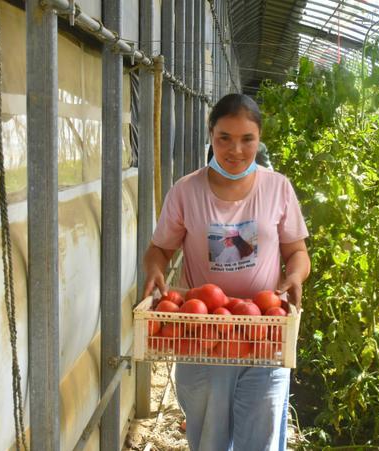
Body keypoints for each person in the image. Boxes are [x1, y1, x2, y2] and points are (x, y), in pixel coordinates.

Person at [142, 93, 310, 451]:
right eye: (224, 138)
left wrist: (294, 276)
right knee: (208, 436)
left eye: (247, 139)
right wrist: (155, 270)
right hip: (204, 335)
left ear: (259, 138)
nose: (236, 150)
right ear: (211, 135)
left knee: (260, 434)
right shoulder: (186, 191)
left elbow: (297, 252)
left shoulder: (277, 187)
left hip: (265, 333)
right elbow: (160, 249)